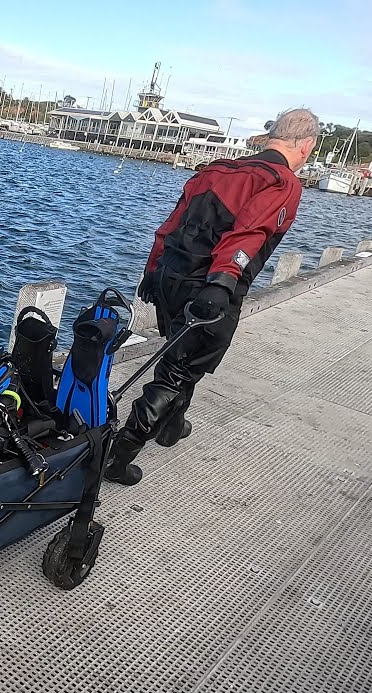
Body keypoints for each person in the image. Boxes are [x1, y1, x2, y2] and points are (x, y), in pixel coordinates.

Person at [105, 107, 320, 485]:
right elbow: (248, 234)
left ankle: (172, 426)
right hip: (211, 284)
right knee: (178, 371)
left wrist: (153, 271)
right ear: (306, 145)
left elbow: (170, 226)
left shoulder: (217, 169)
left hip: (172, 274)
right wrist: (221, 284)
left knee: (181, 355)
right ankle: (118, 457)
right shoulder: (282, 182)